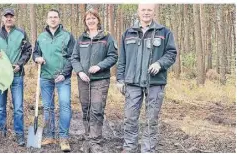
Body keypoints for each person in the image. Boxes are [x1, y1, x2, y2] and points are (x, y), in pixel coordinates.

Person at [117, 4, 177, 153]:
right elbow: (122, 59)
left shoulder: (164, 32)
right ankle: (129, 148)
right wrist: (120, 79)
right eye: (143, 10)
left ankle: (148, 150)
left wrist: (160, 63)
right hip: (132, 83)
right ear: (138, 12)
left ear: (153, 12)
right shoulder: (128, 33)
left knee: (151, 120)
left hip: (155, 83)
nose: (146, 13)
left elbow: (171, 53)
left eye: (149, 10)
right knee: (130, 118)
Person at [70, 9, 118, 153]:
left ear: (98, 20)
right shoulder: (81, 39)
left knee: (97, 110)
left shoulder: (106, 37)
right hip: (83, 80)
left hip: (100, 80)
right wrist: (79, 72)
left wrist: (99, 66)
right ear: (85, 22)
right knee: (86, 109)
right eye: (88, 19)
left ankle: (96, 141)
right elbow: (74, 58)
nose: (91, 21)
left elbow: (113, 56)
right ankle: (88, 138)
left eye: (93, 18)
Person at [0, 8, 32, 146]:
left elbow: (28, 50)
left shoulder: (21, 33)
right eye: (6, 16)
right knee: (0, 106)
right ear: (2, 19)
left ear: (14, 18)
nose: (9, 18)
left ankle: (19, 135)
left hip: (17, 75)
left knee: (18, 107)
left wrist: (20, 64)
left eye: (11, 16)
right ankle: (2, 133)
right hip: (1, 75)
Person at [32, 9, 75, 152]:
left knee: (64, 106)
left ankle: (64, 138)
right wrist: (37, 58)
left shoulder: (67, 36)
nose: (53, 19)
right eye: (50, 17)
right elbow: (36, 53)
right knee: (48, 107)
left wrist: (65, 73)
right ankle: (50, 135)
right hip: (45, 77)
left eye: (55, 17)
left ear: (59, 19)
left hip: (62, 78)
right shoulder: (41, 37)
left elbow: (72, 57)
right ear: (46, 20)